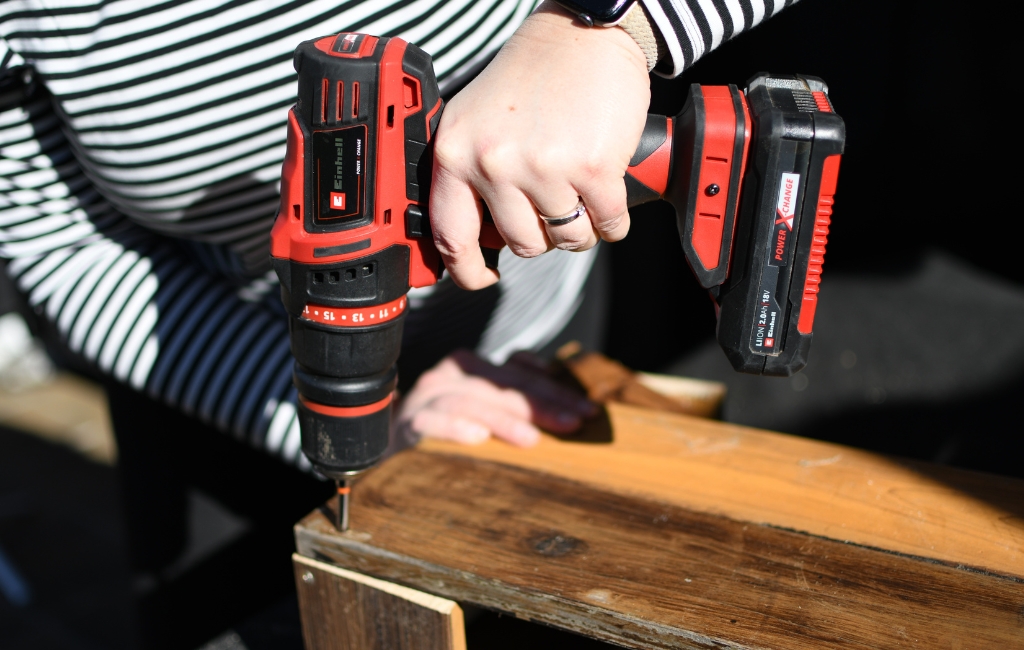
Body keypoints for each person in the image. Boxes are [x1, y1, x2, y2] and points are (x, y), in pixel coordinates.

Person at [0, 0, 795, 464]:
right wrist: (368, 414)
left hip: (534, 344)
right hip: (222, 385)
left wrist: (606, 27)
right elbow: (50, 244)